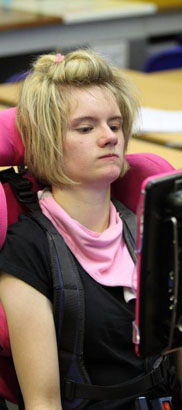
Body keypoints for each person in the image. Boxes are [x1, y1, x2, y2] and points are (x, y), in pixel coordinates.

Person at [0, 49, 173, 410]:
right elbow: (43, 403)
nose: (109, 137)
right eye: (85, 127)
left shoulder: (151, 228)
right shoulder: (28, 249)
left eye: (115, 124)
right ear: (48, 140)